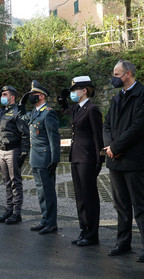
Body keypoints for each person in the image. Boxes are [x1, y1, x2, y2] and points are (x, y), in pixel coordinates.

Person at [103, 60, 144, 262]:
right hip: (115, 160)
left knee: (140, 205)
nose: (114, 77)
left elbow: (138, 127)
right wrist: (110, 147)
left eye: (116, 74)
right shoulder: (116, 98)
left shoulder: (142, 95)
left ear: (128, 74)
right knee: (121, 205)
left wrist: (116, 148)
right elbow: (107, 125)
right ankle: (123, 243)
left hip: (134, 160)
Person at [59, 76, 104, 245]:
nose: (72, 93)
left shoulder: (92, 109)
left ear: (84, 90)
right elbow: (66, 111)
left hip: (87, 158)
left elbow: (97, 136)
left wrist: (99, 159)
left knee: (89, 196)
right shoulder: (77, 109)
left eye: (74, 91)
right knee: (80, 196)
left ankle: (92, 234)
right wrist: (62, 100)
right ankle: (84, 230)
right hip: (76, 157)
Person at [0, 85, 30, 224]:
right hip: (2, 150)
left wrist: (24, 152)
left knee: (15, 182)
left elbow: (25, 134)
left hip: (13, 150)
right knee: (6, 182)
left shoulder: (17, 112)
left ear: (12, 97)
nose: (2, 97)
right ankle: (9, 209)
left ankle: (17, 212)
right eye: (2, 94)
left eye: (4, 94)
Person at [20, 80, 61, 234]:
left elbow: (53, 138)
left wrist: (55, 159)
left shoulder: (48, 113)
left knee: (48, 191)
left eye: (33, 94)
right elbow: (21, 117)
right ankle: (45, 220)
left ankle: (51, 223)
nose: (31, 97)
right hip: (35, 158)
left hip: (45, 158)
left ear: (42, 96)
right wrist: (21, 104)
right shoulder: (35, 113)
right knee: (40, 191)